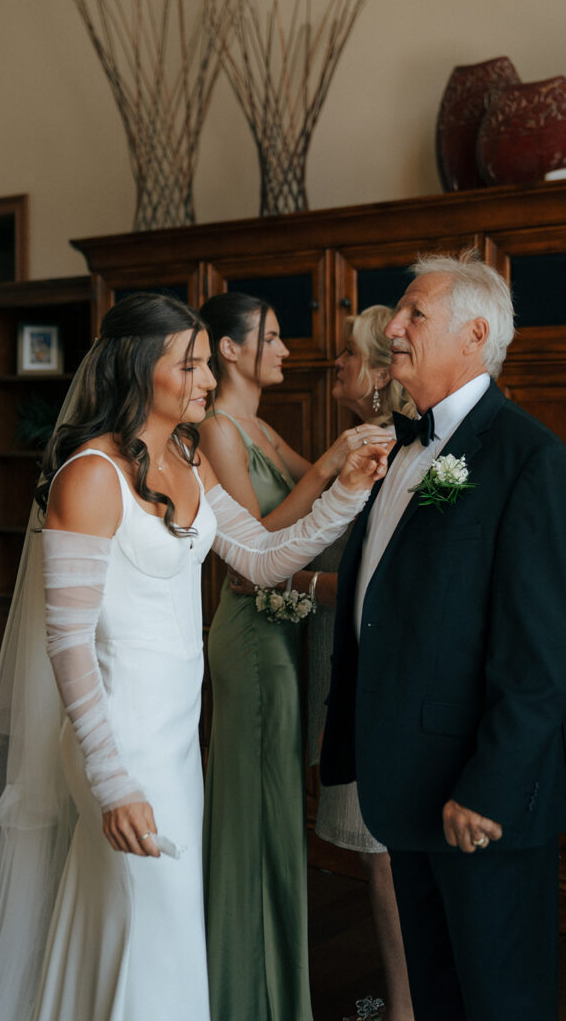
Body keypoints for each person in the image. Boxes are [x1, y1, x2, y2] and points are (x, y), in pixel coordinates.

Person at [0, 292, 390, 1021]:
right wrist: (109, 780)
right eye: (189, 364)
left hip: (173, 741)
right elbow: (66, 642)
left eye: (203, 363)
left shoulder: (189, 464)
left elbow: (259, 560)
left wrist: (347, 494)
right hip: (119, 741)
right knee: (147, 918)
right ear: (141, 369)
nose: (204, 379)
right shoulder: (90, 477)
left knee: (140, 923)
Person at [320, 253, 566, 1020]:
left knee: (499, 998)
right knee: (435, 995)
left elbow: (540, 653)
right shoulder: (392, 450)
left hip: (474, 797)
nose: (391, 328)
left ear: (474, 334)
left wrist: (488, 786)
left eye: (412, 314)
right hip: (404, 787)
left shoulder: (529, 459)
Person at [197, 291, 390, 1021]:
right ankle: (242, 991)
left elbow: (337, 501)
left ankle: (274, 984)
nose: (285, 350)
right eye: (271, 338)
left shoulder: (259, 426)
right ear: (229, 350)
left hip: (288, 630)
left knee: (279, 811)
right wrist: (332, 467)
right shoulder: (218, 428)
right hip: (253, 635)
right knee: (254, 812)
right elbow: (253, 544)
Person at [293, 306, 415, 1021]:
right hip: (362, 672)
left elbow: (378, 580)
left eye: (345, 355)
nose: (332, 364)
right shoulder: (364, 445)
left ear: (375, 374)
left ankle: (403, 1009)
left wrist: (294, 586)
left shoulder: (382, 453)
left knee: (384, 858)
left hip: (382, 681)